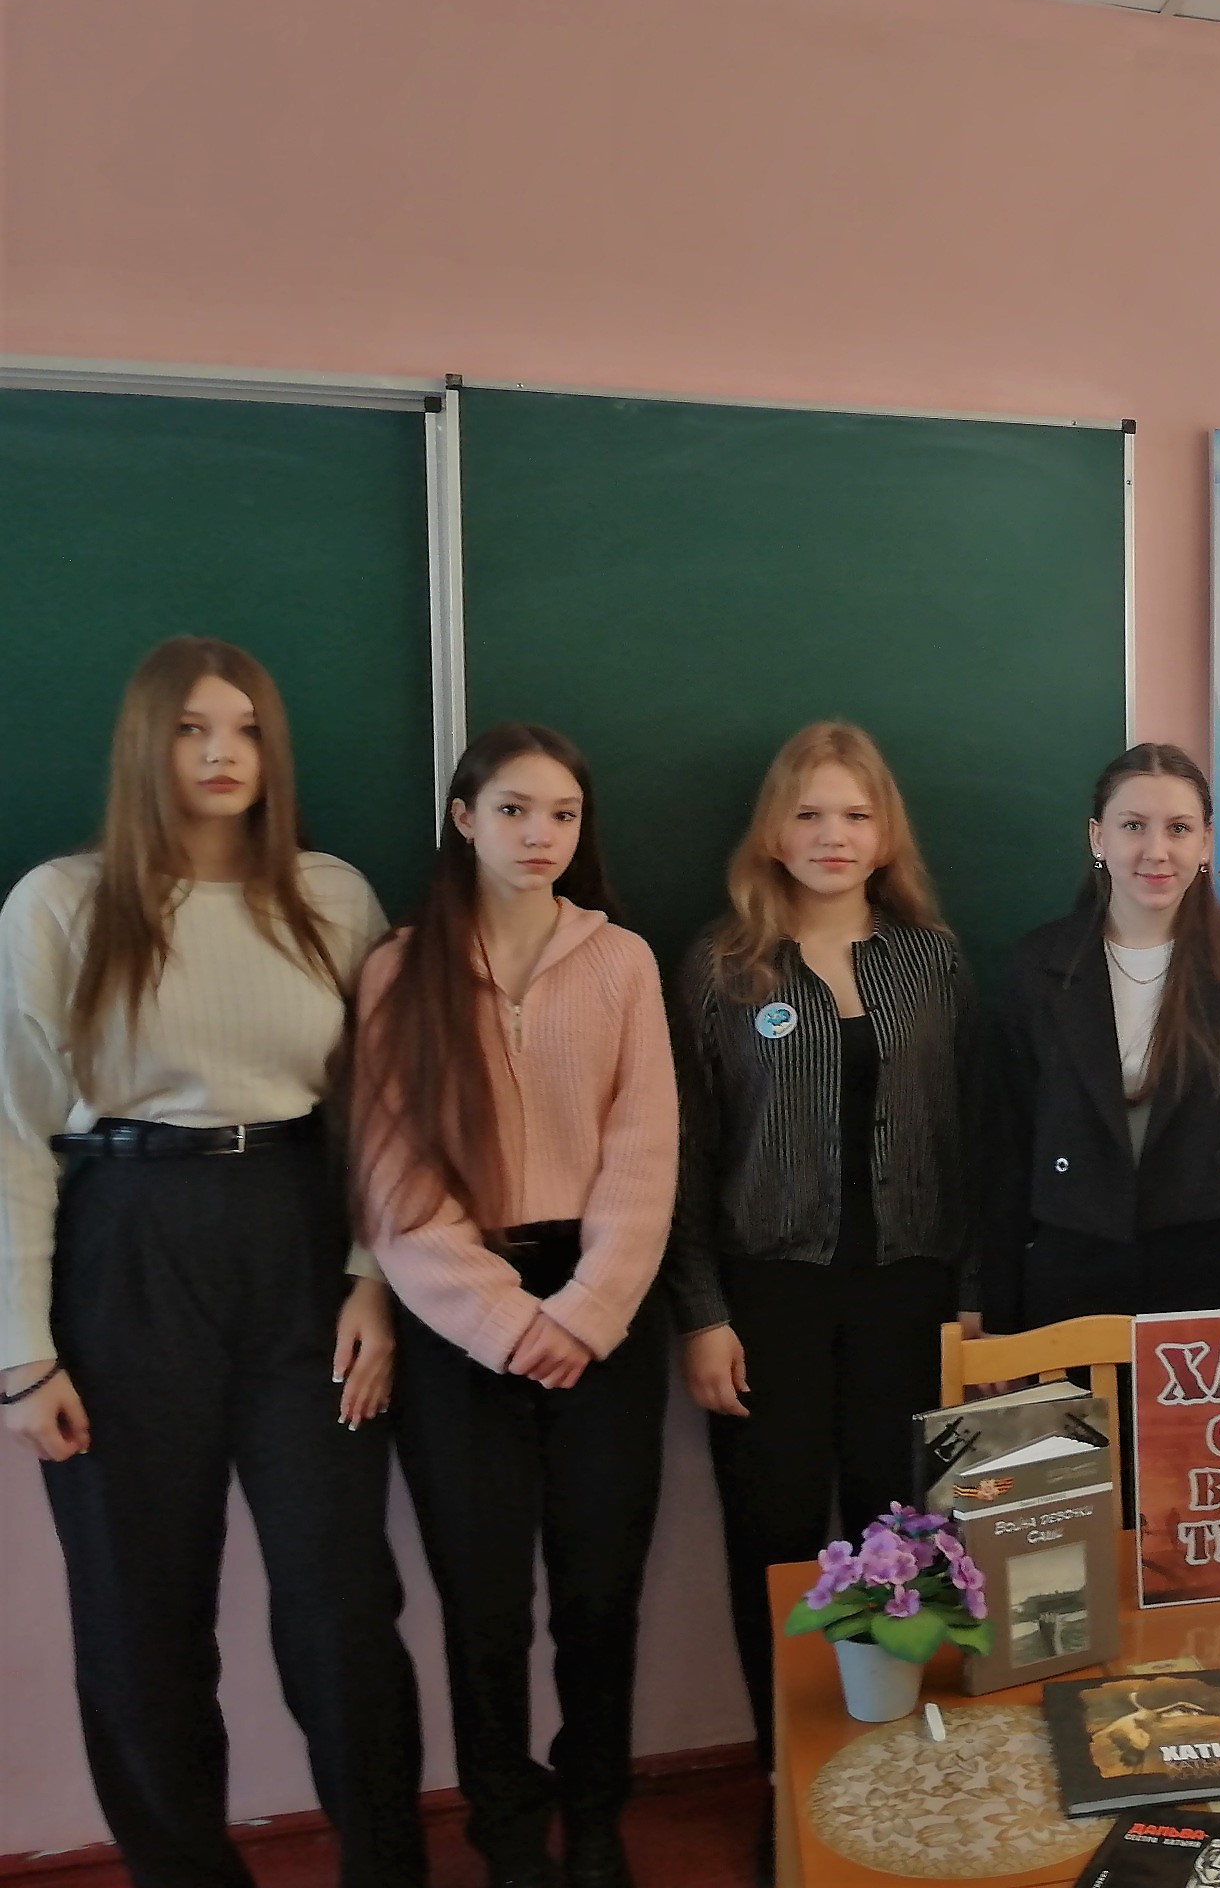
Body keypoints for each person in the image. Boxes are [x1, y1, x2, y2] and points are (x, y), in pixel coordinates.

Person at [0, 637, 425, 1888]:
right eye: (191, 728)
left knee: (342, 1602)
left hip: (300, 1236)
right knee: (140, 1612)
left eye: (243, 729)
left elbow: (385, 1110)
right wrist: (22, 1356)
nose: (222, 753)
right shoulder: (59, 903)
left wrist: (374, 1277)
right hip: (124, 1240)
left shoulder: (333, 897)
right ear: (146, 742)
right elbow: (14, 1131)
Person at [353, 724, 677, 1888]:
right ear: (463, 818)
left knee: (599, 1591)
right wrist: (499, 1321)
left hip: (603, 1310)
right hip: (459, 1321)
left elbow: (645, 1149)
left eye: (563, 815)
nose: (540, 835)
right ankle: (505, 1828)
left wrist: (583, 1313)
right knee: (483, 1601)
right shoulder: (401, 970)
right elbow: (392, 1174)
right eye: (512, 810)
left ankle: (593, 1813)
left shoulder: (622, 961)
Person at [664, 721, 981, 1782]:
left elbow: (972, 1135)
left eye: (854, 813)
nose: (831, 834)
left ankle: (893, 1780)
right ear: (772, 831)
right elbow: (684, 1152)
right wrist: (702, 1314)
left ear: (885, 834)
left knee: (906, 1547)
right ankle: (790, 1788)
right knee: (779, 1552)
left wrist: (973, 1297)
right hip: (768, 1303)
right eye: (808, 813)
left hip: (910, 1296)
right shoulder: (723, 967)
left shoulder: (932, 962)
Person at [985, 743, 1220, 1328]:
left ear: (1205, 843)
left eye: (1179, 828)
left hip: (1214, 1272)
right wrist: (993, 1300)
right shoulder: (1038, 964)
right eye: (1133, 826)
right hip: (1073, 1270)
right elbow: (1005, 1145)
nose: (1157, 851)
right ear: (1097, 838)